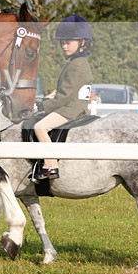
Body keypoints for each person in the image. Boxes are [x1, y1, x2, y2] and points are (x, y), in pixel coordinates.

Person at [32, 15, 94, 181]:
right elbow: (66, 89)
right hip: (72, 105)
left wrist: (43, 106)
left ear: (82, 42)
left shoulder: (77, 65)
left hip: (71, 109)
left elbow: (66, 96)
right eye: (62, 43)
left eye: (69, 42)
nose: (64, 46)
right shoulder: (77, 62)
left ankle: (50, 166)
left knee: (40, 127)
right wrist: (50, 95)